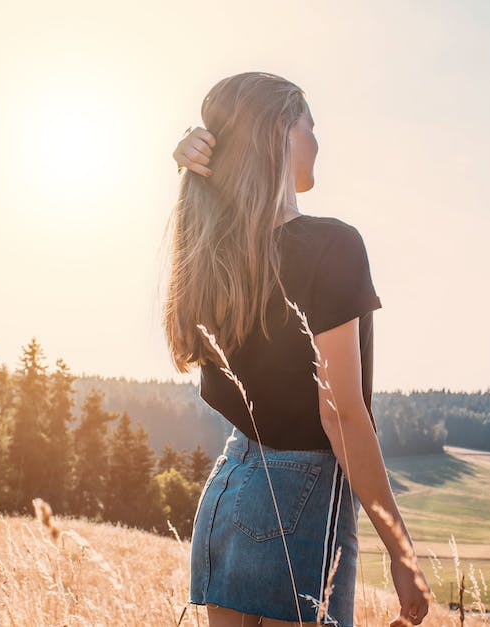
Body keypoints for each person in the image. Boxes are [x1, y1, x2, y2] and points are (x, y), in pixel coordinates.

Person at [163, 71, 431, 627]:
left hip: (229, 487)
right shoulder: (331, 244)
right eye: (311, 125)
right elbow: (341, 414)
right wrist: (402, 553)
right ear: (282, 131)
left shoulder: (218, 252)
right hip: (302, 497)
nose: (318, 140)